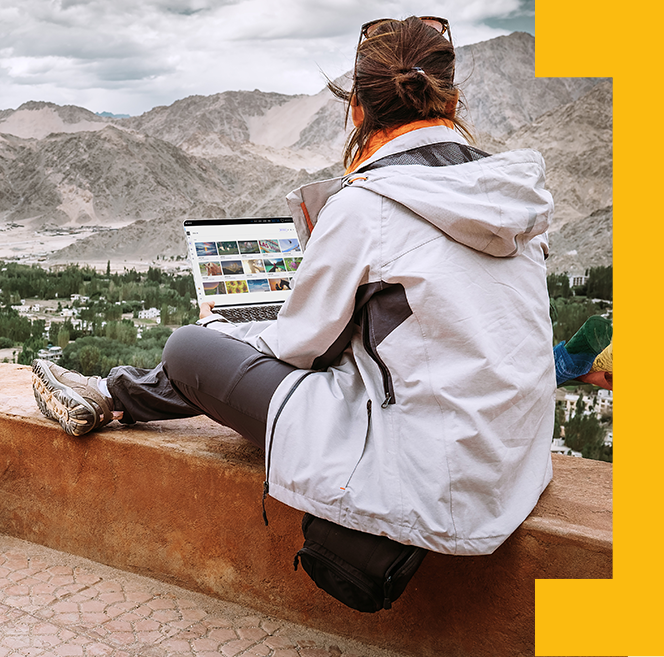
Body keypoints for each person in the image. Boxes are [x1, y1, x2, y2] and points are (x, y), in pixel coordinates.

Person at [32, 16, 555, 556]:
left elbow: (303, 348)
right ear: (452, 100)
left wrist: (225, 332)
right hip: (510, 466)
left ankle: (115, 395)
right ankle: (116, 396)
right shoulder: (510, 198)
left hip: (432, 477)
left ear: (356, 107)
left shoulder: (368, 204)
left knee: (189, 349)